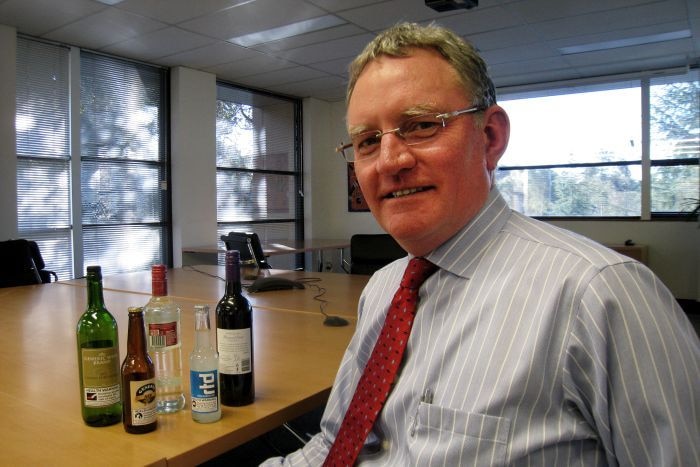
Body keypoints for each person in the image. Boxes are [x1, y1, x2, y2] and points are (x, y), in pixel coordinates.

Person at [262, 22, 700, 466]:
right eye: (368, 141)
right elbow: (336, 445)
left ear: (490, 138)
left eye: (421, 125)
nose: (390, 161)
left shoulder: (600, 295)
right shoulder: (383, 288)